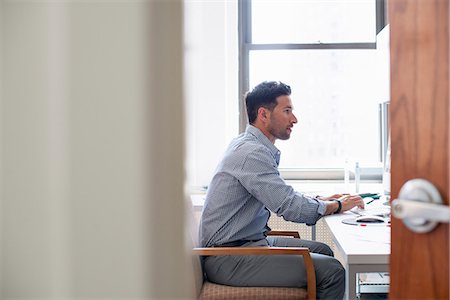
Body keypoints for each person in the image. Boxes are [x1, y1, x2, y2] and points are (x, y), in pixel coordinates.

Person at [198, 81, 365, 299]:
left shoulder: (249, 145)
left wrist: (321, 200)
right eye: (287, 111)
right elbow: (290, 207)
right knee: (332, 272)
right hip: (229, 258)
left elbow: (282, 194)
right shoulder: (251, 153)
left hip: (247, 244)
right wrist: (338, 206)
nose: (294, 119)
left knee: (323, 251)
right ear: (263, 114)